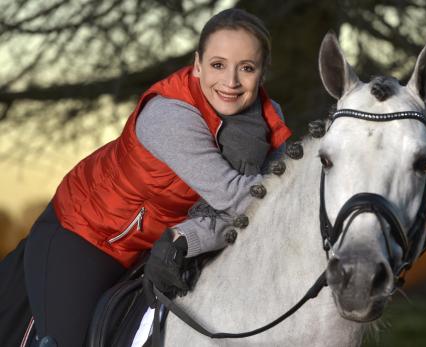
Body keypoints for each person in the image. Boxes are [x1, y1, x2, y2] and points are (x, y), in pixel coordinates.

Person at [20, 8, 291, 346]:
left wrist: (186, 236)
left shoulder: (268, 119)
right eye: (218, 65)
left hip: (158, 246)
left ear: (262, 73)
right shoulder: (168, 116)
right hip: (88, 235)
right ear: (197, 64)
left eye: (247, 68)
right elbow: (242, 200)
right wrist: (292, 188)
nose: (231, 82)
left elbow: (257, 209)